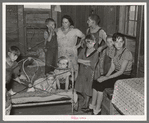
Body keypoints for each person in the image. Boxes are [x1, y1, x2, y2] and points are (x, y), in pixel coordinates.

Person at [85, 33, 133, 115]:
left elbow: (121, 71)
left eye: (121, 42)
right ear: (113, 42)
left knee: (101, 84)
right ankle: (92, 106)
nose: (119, 44)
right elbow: (112, 67)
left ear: (123, 43)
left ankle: (97, 110)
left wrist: (106, 78)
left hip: (124, 76)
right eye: (116, 42)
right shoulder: (113, 51)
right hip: (116, 72)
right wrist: (105, 76)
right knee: (96, 81)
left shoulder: (127, 53)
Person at [56, 15, 85, 79]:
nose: (64, 24)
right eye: (63, 22)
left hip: (71, 52)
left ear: (70, 23)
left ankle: (72, 83)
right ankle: (63, 83)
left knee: (72, 68)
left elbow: (83, 36)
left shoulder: (75, 31)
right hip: (61, 51)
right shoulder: (58, 31)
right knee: (62, 67)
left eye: (66, 22)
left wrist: (78, 45)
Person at [75, 34, 99, 111]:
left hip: (90, 73)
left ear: (94, 42)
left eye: (90, 42)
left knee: (88, 87)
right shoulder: (83, 50)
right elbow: (78, 60)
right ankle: (85, 99)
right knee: (82, 86)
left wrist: (83, 61)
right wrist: (87, 61)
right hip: (82, 72)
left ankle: (87, 102)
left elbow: (92, 63)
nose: (88, 44)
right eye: (87, 43)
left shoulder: (96, 52)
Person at [86, 14, 107, 78]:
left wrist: (102, 47)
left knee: (95, 71)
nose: (87, 22)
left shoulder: (101, 31)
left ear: (93, 22)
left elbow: (108, 42)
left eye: (88, 20)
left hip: (96, 54)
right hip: (88, 53)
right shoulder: (88, 30)